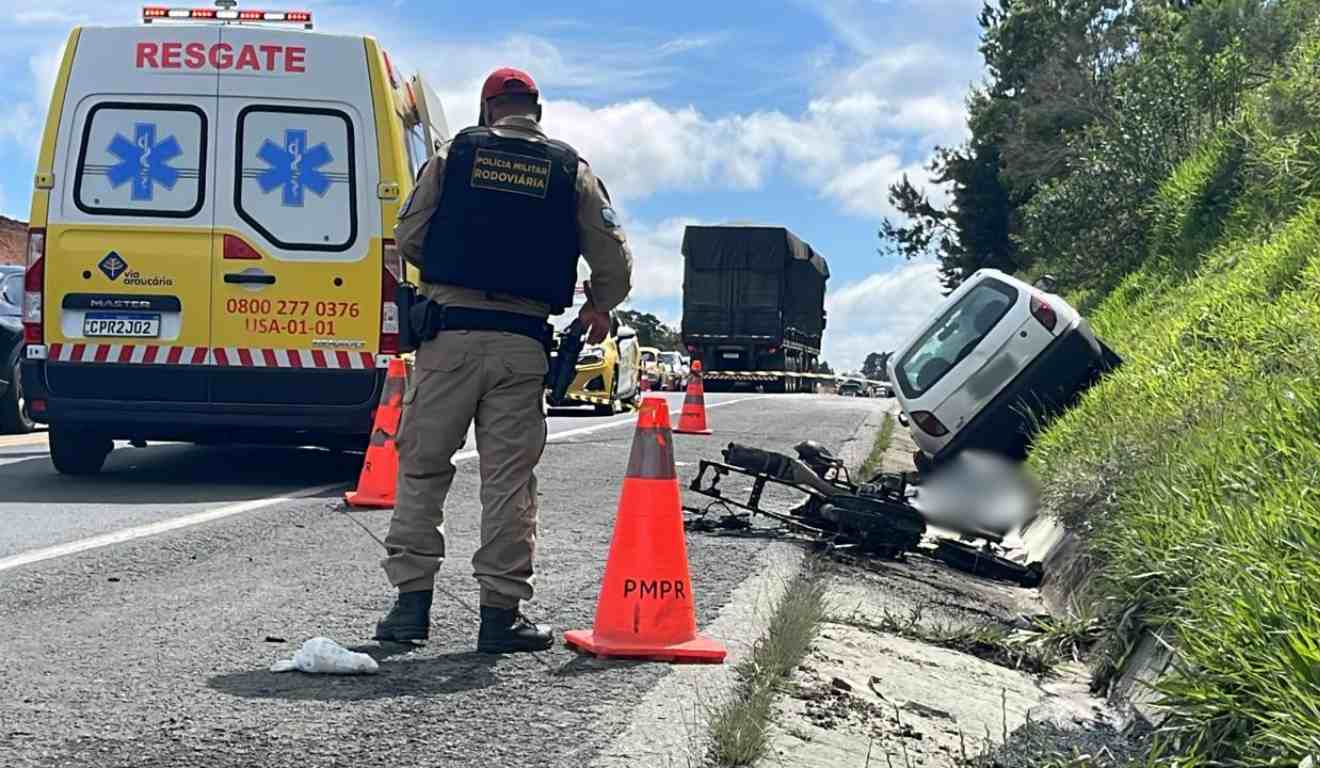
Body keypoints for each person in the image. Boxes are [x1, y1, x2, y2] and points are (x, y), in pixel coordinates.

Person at [374, 67, 632, 653]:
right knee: (509, 480)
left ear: (489, 107)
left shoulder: (454, 154)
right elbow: (614, 264)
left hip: (448, 338)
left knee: (422, 469)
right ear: (535, 109)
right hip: (521, 346)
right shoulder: (572, 172)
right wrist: (598, 305)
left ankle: (409, 611)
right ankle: (499, 617)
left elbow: (410, 235)